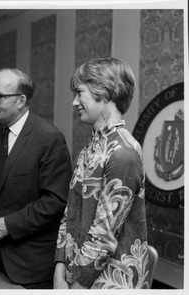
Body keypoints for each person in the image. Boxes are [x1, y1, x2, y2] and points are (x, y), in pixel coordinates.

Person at [0, 68, 72, 289]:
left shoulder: (49, 138)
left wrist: (8, 224)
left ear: (21, 100)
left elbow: (55, 201)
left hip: (32, 266)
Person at [54, 58, 149, 289]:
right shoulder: (90, 149)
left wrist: (75, 288)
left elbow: (103, 238)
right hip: (74, 277)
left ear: (104, 92)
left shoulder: (123, 153)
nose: (74, 102)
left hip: (108, 282)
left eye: (79, 93)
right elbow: (69, 215)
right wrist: (59, 271)